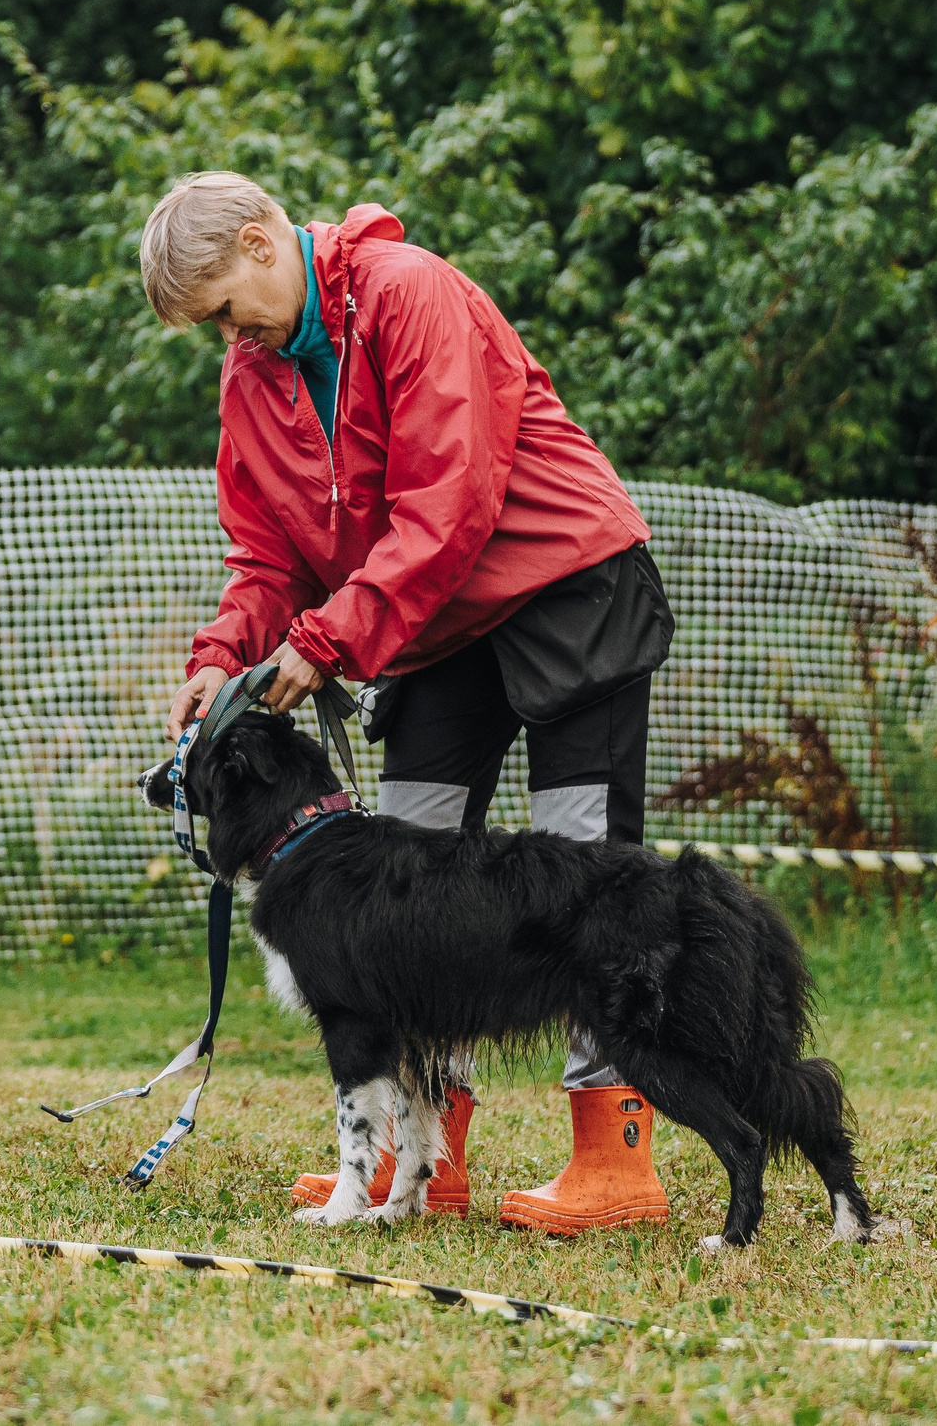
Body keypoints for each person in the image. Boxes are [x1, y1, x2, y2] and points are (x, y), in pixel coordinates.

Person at [142, 171, 676, 1233]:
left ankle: (613, 1161)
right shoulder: (251, 374)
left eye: (220, 308)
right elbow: (265, 549)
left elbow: (449, 501)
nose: (224, 337)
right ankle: (422, 1156)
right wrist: (224, 654)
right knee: (401, 876)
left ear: (259, 244)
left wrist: (329, 639)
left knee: (587, 868)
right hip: (427, 620)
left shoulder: (408, 288)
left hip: (563, 582)